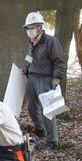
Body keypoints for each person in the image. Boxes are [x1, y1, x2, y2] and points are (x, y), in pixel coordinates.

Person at [22, 12, 65, 150]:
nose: (29, 30)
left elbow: (59, 61)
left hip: (46, 79)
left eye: (31, 27)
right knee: (30, 106)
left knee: (47, 109)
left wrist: (57, 78)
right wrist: (27, 69)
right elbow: (31, 59)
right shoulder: (31, 42)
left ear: (39, 27)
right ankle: (40, 129)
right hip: (32, 78)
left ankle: (52, 141)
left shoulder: (51, 41)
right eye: (27, 28)